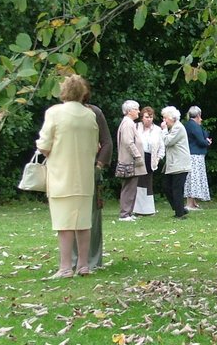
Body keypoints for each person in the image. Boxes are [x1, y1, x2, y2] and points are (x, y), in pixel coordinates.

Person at [36, 74, 99, 279]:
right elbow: (94, 146)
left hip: (61, 175)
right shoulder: (90, 115)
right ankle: (83, 265)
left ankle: (65, 268)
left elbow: (44, 145)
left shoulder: (54, 113)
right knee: (83, 224)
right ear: (83, 92)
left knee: (63, 224)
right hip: (85, 176)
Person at [72, 86, 113, 271]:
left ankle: (92, 260)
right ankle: (73, 261)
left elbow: (107, 142)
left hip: (90, 170)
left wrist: (98, 166)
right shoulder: (61, 114)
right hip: (69, 171)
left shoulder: (94, 112)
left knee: (92, 216)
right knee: (69, 216)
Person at [116, 100, 147, 221]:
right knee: (129, 187)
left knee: (131, 187)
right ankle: (125, 214)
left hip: (130, 161)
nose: (139, 111)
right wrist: (138, 156)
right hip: (130, 162)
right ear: (130, 111)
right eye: (137, 109)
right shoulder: (128, 124)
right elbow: (128, 142)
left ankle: (128, 213)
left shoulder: (128, 123)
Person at [161, 106, 192, 219]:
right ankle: (180, 209)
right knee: (166, 186)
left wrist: (163, 130)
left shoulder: (178, 127)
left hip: (180, 164)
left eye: (165, 118)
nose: (164, 121)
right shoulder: (174, 127)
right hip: (173, 164)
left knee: (176, 189)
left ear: (172, 118)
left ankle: (180, 213)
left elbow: (167, 141)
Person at [133, 106, 165, 215]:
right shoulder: (136, 127)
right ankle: (137, 209)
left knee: (148, 183)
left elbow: (162, 147)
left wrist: (158, 159)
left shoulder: (157, 130)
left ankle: (148, 209)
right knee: (137, 183)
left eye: (151, 117)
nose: (149, 119)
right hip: (138, 157)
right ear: (142, 117)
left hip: (150, 159)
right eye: (147, 117)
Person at [184, 106, 212, 210]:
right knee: (194, 179)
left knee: (191, 179)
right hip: (195, 155)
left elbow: (204, 134)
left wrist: (200, 125)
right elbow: (201, 140)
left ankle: (193, 202)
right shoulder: (194, 126)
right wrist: (207, 142)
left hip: (191, 154)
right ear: (199, 115)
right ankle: (190, 204)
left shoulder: (189, 125)